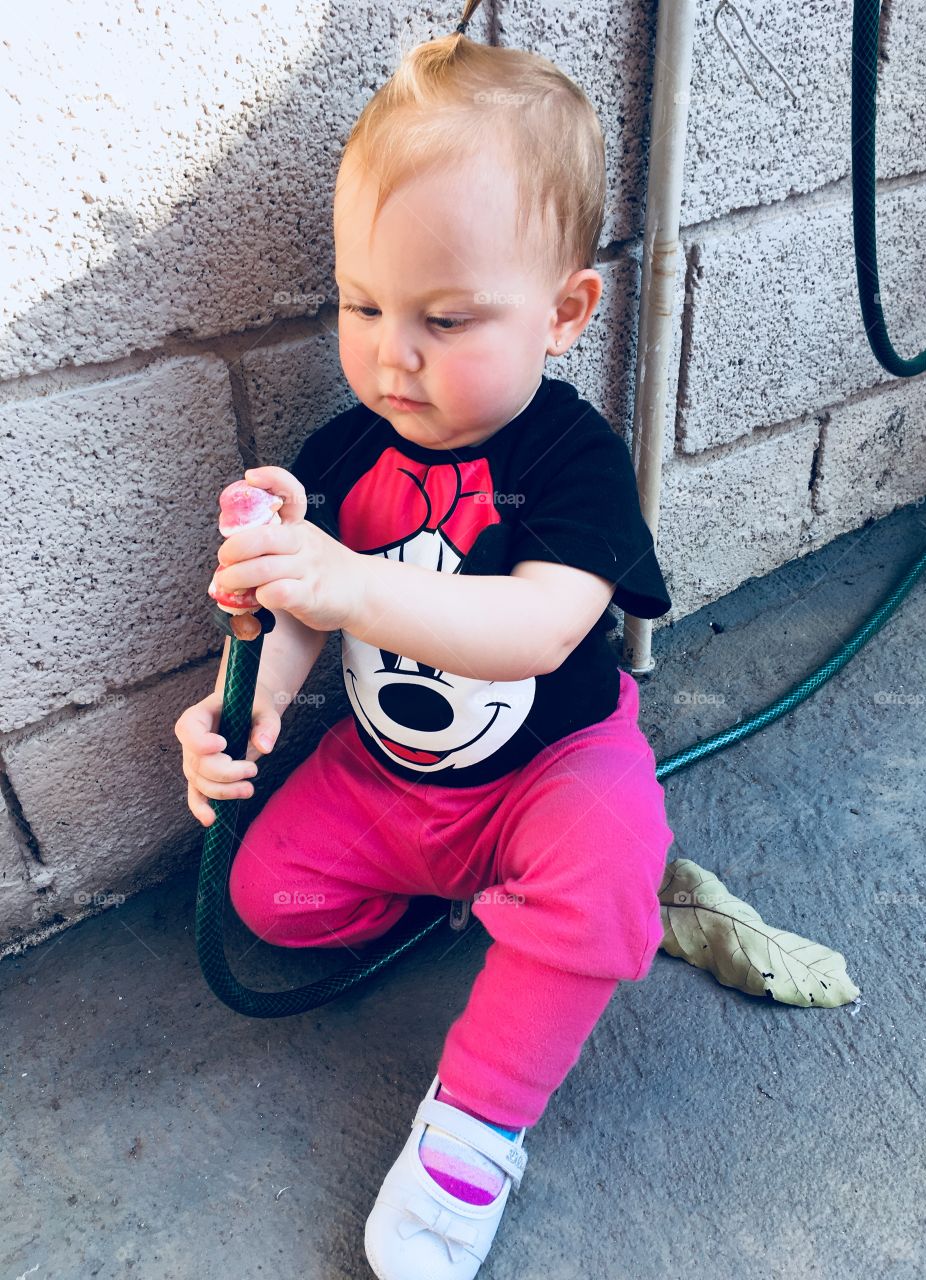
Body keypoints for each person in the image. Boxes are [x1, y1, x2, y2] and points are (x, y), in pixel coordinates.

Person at [175, 10, 675, 1279]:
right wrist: (255, 699)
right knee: (265, 897)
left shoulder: (572, 458)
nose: (393, 352)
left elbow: (536, 628)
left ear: (565, 312)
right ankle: (474, 906)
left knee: (612, 857)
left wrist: (343, 582)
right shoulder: (344, 453)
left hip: (548, 769)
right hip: (397, 780)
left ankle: (473, 1127)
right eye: (363, 302)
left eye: (448, 319)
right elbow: (291, 617)